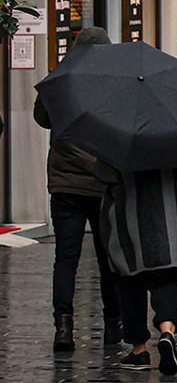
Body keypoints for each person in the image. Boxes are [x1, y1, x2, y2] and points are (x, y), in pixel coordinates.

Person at [33, 27, 121, 352]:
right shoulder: (114, 84)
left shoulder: (61, 80)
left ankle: (64, 326)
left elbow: (41, 117)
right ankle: (114, 324)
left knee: (65, 259)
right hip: (102, 186)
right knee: (108, 258)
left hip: (64, 186)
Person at [97, 162, 177, 375]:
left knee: (130, 278)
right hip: (168, 220)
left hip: (129, 216)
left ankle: (139, 349)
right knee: (166, 275)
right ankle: (167, 331)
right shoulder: (175, 136)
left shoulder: (122, 135)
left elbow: (104, 173)